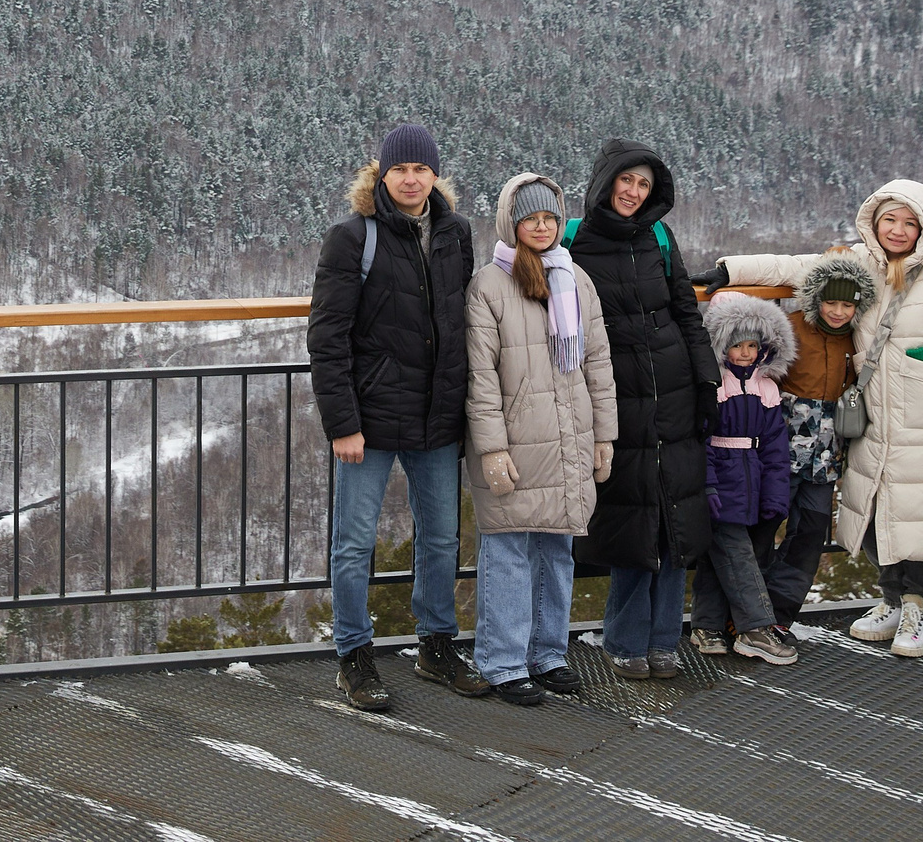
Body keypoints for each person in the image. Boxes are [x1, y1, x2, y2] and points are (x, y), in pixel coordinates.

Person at [715, 179, 923, 659]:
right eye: (890, 220)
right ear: (873, 222)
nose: (898, 231)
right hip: (867, 419)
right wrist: (730, 270)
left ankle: (918, 606)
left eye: (910, 222)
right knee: (881, 507)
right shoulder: (857, 265)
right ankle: (890, 599)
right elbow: (792, 266)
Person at [308, 123, 487, 710]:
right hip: (372, 416)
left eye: (421, 169)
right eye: (400, 170)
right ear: (381, 174)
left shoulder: (456, 234)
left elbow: (465, 323)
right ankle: (354, 657)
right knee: (354, 543)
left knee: (440, 539)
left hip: (438, 414)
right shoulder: (351, 238)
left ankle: (436, 645)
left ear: (436, 175)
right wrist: (343, 423)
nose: (411, 180)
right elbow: (328, 338)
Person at [567, 141, 719, 681]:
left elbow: (685, 308)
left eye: (644, 186)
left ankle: (663, 637)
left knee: (675, 512)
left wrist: (707, 379)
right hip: (612, 390)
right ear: (605, 181)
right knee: (631, 514)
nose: (633, 193)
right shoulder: (572, 239)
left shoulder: (658, 235)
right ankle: (625, 638)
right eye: (626, 181)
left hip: (671, 386)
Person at [464, 173, 617, 704]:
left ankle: (548, 653)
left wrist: (605, 436)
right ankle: (503, 661)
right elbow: (480, 376)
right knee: (508, 549)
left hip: (570, 435)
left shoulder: (576, 279)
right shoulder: (489, 284)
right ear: (513, 223)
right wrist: (492, 448)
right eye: (531, 218)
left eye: (550, 218)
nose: (542, 227)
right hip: (515, 438)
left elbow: (598, 362)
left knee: (557, 547)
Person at [763, 255, 876, 629]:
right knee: (762, 527)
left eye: (847, 304)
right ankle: (748, 611)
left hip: (826, 454)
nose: (839, 312)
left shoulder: (857, 338)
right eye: (831, 303)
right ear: (815, 299)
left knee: (810, 533)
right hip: (781, 448)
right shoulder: (789, 329)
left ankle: (780, 614)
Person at [689, 293, 800, 665]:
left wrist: (775, 496)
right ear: (722, 345)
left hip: (752, 478)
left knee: (725, 556)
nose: (746, 352)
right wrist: (708, 485)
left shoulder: (766, 387)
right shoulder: (713, 385)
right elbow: (701, 440)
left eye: (753, 345)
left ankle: (706, 625)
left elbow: (775, 448)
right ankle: (756, 627)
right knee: (737, 555)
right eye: (738, 344)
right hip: (722, 481)